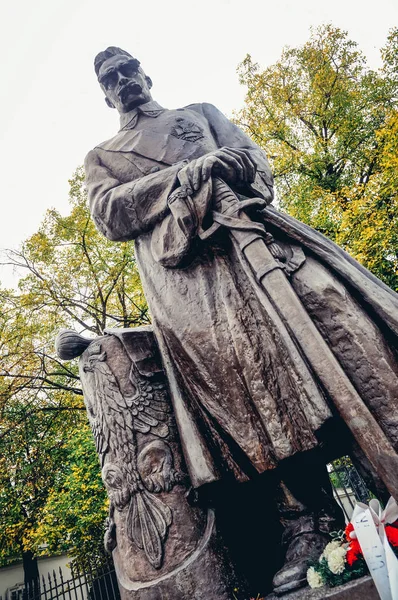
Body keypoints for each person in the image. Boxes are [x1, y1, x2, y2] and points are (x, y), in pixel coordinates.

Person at [85, 46, 398, 594]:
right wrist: (185, 176)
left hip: (257, 249)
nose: (126, 80)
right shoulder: (104, 155)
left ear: (146, 73)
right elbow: (110, 213)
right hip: (190, 288)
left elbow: (258, 160)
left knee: (339, 337)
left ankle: (383, 472)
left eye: (131, 69)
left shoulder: (199, 114)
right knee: (250, 400)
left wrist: (233, 165)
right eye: (113, 78)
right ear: (106, 93)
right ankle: (306, 523)